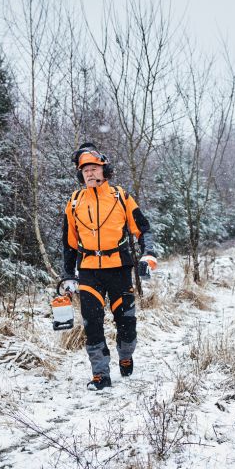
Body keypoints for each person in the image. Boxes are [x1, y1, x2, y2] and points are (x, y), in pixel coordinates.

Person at [59, 143, 157, 390]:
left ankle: (125, 355)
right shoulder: (74, 202)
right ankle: (100, 375)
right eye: (85, 170)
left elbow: (143, 229)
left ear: (104, 170)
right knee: (92, 323)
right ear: (80, 174)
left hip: (119, 268)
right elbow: (69, 243)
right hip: (89, 270)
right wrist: (68, 275)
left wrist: (148, 256)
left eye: (94, 168)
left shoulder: (121, 197)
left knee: (126, 324)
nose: (90, 173)